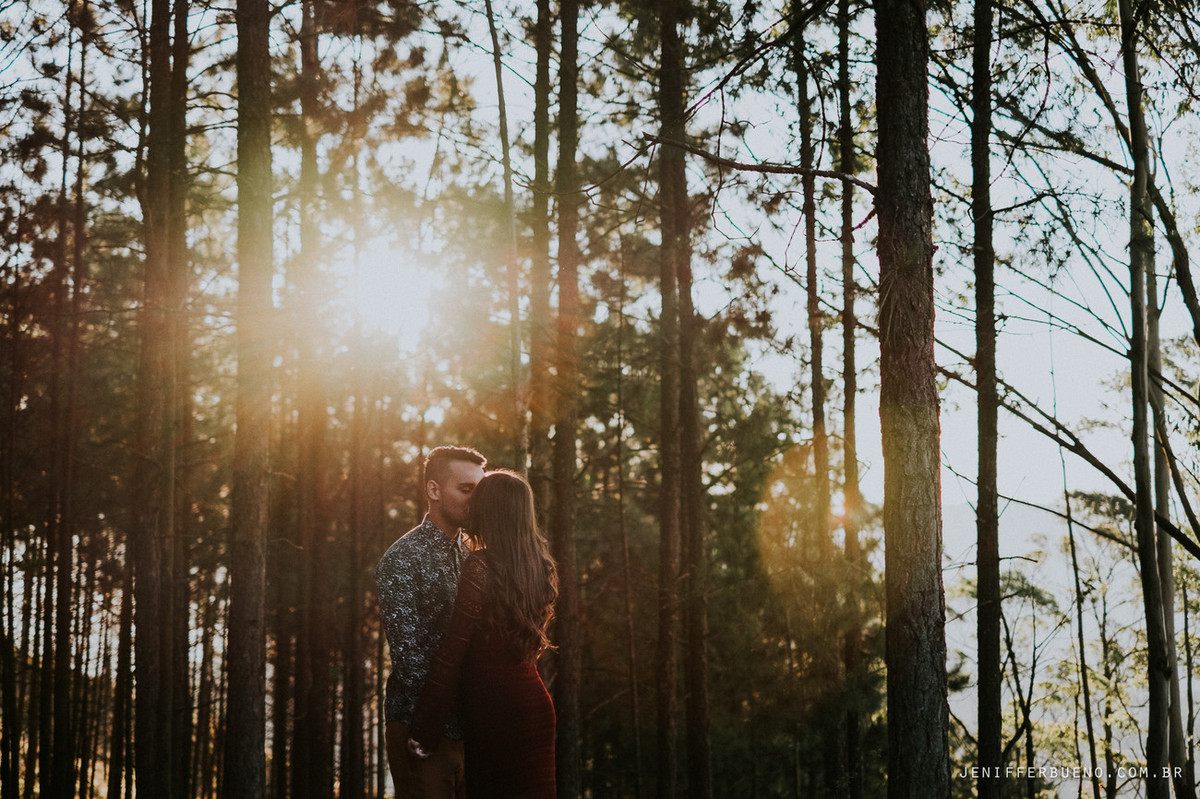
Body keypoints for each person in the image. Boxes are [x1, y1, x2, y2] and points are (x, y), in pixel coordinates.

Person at [407, 470, 559, 798]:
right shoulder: (538, 566)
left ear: (491, 511)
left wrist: (425, 729)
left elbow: (452, 652)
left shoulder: (480, 566)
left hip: (496, 714)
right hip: (534, 707)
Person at [376, 445, 487, 799]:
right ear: (434, 490)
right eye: (466, 489)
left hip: (470, 729)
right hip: (420, 728)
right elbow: (410, 663)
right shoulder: (402, 559)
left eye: (478, 491)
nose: (475, 500)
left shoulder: (472, 556)